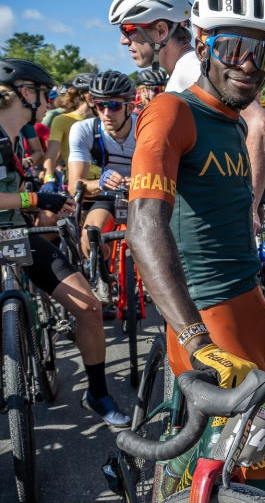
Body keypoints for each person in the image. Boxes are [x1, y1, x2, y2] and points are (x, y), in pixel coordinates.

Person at [126, 0, 265, 502]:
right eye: (234, 45)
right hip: (211, 324)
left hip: (251, 311)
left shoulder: (230, 122)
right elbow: (144, 226)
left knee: (232, 464)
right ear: (201, 41)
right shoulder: (171, 111)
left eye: (263, 51)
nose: (249, 62)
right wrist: (194, 340)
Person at [0, 59, 129, 427]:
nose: (48, 102)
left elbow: (23, 190)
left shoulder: (18, 138)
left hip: (17, 235)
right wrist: (35, 201)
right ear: (26, 93)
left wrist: (45, 201)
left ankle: (98, 394)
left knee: (88, 307)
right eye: (44, 95)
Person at [67, 71, 137, 286]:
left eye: (114, 105)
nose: (107, 112)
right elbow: (74, 186)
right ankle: (106, 272)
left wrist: (141, 180)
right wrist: (100, 183)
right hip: (108, 196)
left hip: (143, 192)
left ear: (130, 107)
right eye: (100, 105)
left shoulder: (145, 127)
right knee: (90, 237)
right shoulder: (84, 129)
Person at [109, 0, 196, 89]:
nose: (123, 40)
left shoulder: (190, 80)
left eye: (128, 30)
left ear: (161, 31)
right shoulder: (180, 76)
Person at [42, 72, 96, 193]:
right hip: (77, 182)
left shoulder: (104, 119)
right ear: (88, 96)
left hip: (105, 182)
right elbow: (51, 155)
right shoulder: (62, 120)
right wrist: (49, 179)